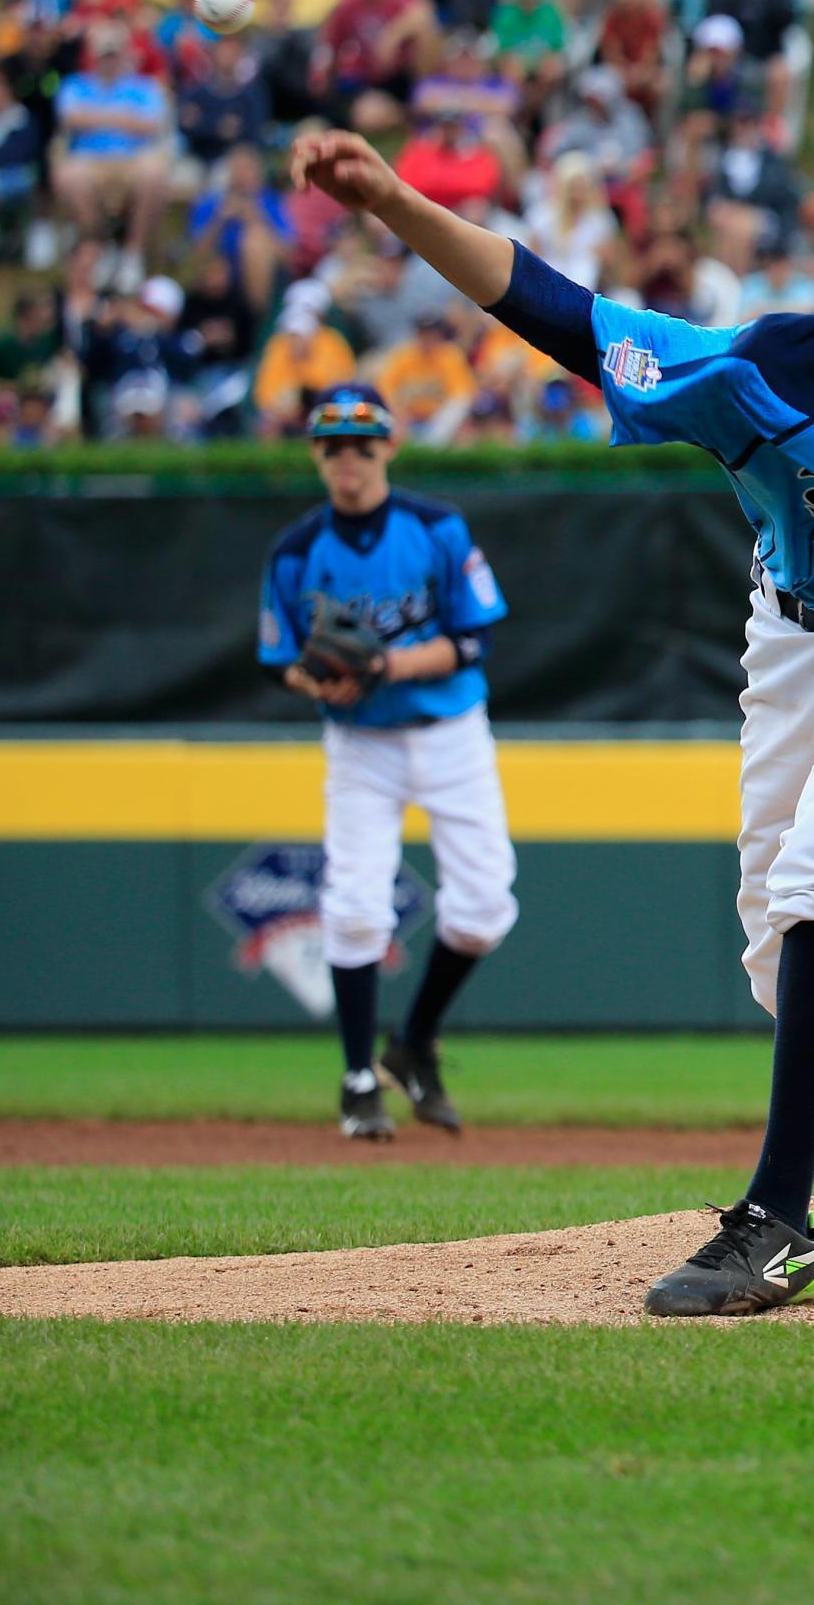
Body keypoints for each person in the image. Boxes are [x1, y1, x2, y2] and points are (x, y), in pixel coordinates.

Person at [285, 128, 814, 1318]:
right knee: (780, 959)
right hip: (799, 628)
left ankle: (780, 1225)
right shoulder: (775, 375)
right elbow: (566, 314)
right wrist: (394, 200)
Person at [256, 385, 517, 1140]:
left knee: (484, 907)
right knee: (356, 905)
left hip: (449, 731)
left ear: (389, 447)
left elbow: (474, 639)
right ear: (316, 454)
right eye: (334, 445)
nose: (349, 458)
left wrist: (386, 667)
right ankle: (357, 1077)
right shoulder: (297, 551)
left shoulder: (435, 527)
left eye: (362, 443)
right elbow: (281, 662)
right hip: (359, 741)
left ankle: (410, 1044)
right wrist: (322, 679)